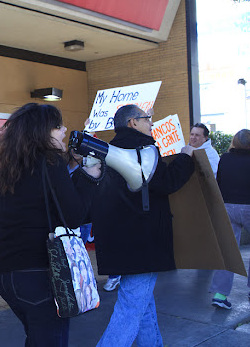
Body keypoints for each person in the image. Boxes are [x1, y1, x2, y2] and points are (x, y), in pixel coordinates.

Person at [0, 103, 101, 347]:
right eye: (58, 126)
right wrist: (90, 176)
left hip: (6, 277)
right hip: (41, 276)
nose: (64, 130)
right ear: (42, 131)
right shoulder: (52, 163)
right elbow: (73, 217)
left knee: (37, 338)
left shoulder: (6, 170)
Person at [93, 104, 195, 347]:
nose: (151, 122)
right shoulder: (144, 151)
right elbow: (167, 183)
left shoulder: (106, 151)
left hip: (116, 239)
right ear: (132, 123)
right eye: (146, 118)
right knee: (131, 306)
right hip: (143, 240)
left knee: (142, 303)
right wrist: (185, 158)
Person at [209, 129, 250, 309]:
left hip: (227, 208)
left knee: (228, 249)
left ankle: (220, 295)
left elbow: (218, 184)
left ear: (234, 142)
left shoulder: (225, 159)